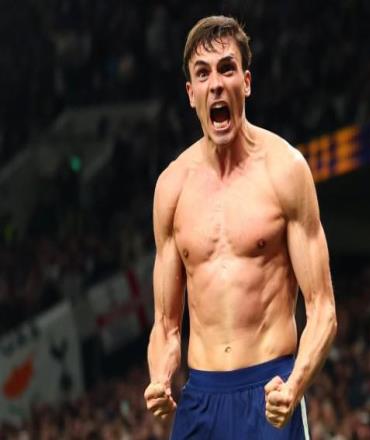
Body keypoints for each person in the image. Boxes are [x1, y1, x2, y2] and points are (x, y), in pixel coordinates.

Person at [144, 15, 337, 439]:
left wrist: (295, 385)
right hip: (200, 397)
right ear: (190, 93)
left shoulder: (286, 170)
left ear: (246, 83)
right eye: (203, 73)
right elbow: (166, 325)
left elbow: (322, 308)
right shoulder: (171, 188)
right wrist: (160, 376)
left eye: (227, 69)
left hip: (270, 389)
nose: (216, 83)